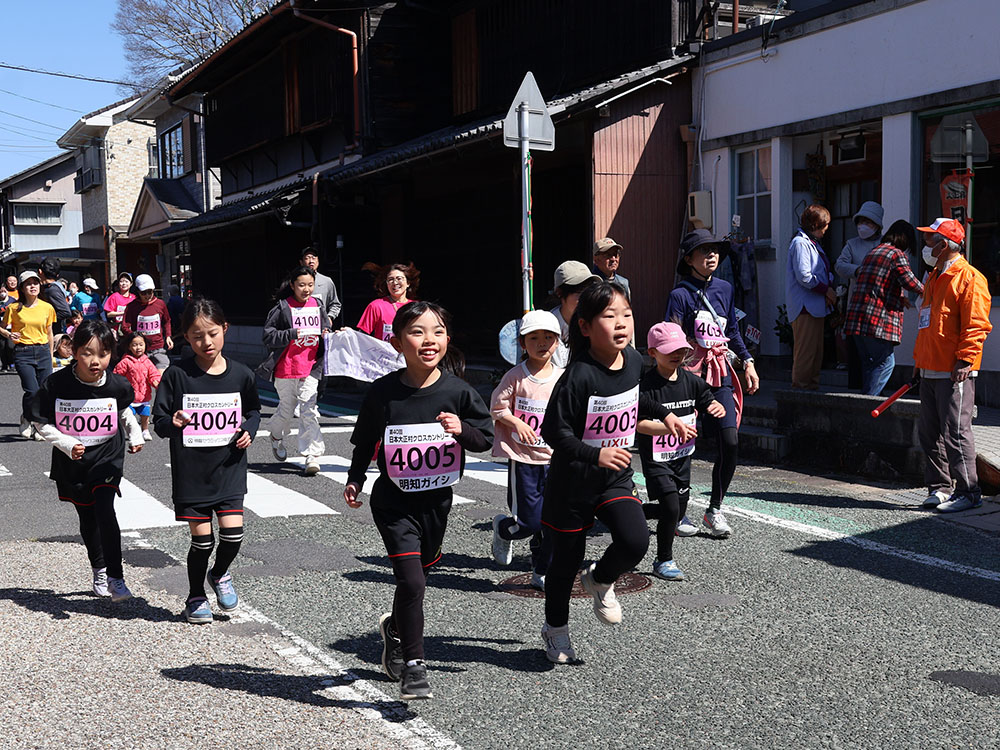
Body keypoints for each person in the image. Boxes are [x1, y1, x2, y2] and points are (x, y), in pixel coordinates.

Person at [343, 301, 493, 700]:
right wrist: (355, 480)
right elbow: (364, 443)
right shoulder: (384, 392)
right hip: (393, 505)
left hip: (436, 506)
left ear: (447, 339)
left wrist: (462, 430)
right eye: (417, 332)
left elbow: (484, 440)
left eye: (438, 331)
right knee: (411, 580)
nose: (429, 340)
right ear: (396, 341)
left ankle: (395, 629)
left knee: (416, 582)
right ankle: (414, 666)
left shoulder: (458, 391)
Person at [538, 281, 680, 664]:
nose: (621, 324)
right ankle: (556, 630)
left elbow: (636, 396)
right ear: (584, 327)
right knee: (565, 563)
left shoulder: (633, 361)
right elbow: (553, 431)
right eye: (609, 316)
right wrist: (593, 453)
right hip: (572, 483)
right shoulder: (578, 376)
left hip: (614, 478)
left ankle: (601, 579)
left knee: (635, 541)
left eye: (627, 315)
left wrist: (664, 413)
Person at [152, 298, 261, 623]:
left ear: (224, 329)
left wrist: (249, 430)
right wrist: (173, 421)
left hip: (229, 465)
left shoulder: (241, 375)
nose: (206, 342)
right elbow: (159, 421)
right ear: (185, 336)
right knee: (202, 541)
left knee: (233, 536)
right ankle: (195, 596)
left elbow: (253, 411)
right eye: (197, 336)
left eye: (212, 333)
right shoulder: (176, 375)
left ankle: (221, 573)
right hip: (192, 472)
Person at [28, 319, 143, 602]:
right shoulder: (56, 383)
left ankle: (116, 577)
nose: (95, 361)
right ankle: (99, 569)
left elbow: (123, 410)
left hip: (107, 455)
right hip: (73, 460)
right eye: (87, 353)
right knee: (88, 517)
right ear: (73, 351)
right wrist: (67, 444)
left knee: (105, 508)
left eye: (103, 354)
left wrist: (135, 433)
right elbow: (41, 423)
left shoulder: (116, 384)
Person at [665, 229, 760, 538]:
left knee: (730, 441)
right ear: (689, 259)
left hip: (720, 373)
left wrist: (748, 363)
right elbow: (672, 337)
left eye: (715, 250)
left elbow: (732, 329)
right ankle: (677, 512)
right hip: (690, 375)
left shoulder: (725, 288)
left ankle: (714, 509)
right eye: (703, 251)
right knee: (682, 445)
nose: (712, 255)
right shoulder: (679, 294)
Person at [912, 218, 992, 513]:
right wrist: (918, 362)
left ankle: (969, 491)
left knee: (956, 432)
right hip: (930, 368)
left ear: (944, 244)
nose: (926, 245)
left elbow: (976, 326)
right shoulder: (934, 277)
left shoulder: (971, 278)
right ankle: (940, 488)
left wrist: (964, 360)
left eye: (931, 240)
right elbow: (928, 325)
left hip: (953, 370)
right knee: (929, 433)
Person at [636, 322, 723, 580]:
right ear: (652, 353)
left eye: (681, 349)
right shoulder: (646, 387)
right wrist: (669, 428)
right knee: (671, 506)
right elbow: (639, 425)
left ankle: (635, 511)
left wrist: (715, 406)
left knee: (676, 511)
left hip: (682, 458)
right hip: (657, 459)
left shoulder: (692, 382)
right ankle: (664, 560)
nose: (676, 354)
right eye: (669, 350)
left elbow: (707, 399)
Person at [489, 309, 563, 589]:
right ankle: (504, 528)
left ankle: (541, 570)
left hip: (556, 460)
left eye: (548, 337)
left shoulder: (563, 377)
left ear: (557, 341)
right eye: (534, 338)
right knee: (530, 522)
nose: (542, 343)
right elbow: (497, 407)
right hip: (524, 459)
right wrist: (515, 423)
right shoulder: (515, 376)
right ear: (522, 344)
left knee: (553, 522)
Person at [261, 266, 330, 476]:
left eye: (310, 285)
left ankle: (312, 455)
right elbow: (268, 336)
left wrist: (327, 332)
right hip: (286, 367)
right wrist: (291, 333)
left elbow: (325, 329)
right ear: (292, 286)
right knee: (286, 411)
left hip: (310, 367)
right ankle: (275, 434)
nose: (306, 289)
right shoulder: (282, 308)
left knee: (309, 410)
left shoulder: (317, 305)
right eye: (301, 285)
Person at [842, 220, 923, 397]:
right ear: (905, 239)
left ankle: (864, 403)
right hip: (875, 321)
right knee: (886, 363)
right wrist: (931, 290)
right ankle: (868, 405)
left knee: (870, 366)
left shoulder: (873, 252)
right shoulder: (895, 254)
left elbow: (876, 283)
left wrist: (900, 297)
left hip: (857, 320)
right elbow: (909, 280)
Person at [1, 269, 56, 438]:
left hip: (43, 351)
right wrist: (9, 334)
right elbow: (1, 327)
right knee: (31, 390)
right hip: (23, 352)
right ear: (22, 288)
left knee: (44, 391)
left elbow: (49, 333)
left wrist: (52, 354)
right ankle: (26, 417)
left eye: (35, 283)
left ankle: (39, 425)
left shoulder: (47, 307)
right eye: (28, 284)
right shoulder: (14, 308)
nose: (33, 286)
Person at [786, 204, 835, 390]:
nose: (827, 228)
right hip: (805, 306)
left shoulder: (811, 243)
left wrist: (828, 287)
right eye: (825, 224)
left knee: (815, 352)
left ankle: (811, 388)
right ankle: (800, 390)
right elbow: (804, 276)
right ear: (815, 224)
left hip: (815, 305)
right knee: (806, 352)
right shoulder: (800, 243)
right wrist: (826, 290)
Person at [835, 201, 884, 387]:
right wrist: (859, 271)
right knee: (856, 352)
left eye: (868, 222)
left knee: (875, 354)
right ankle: (854, 390)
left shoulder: (884, 244)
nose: (863, 226)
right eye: (861, 222)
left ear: (877, 225)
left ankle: (872, 391)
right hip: (856, 305)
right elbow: (840, 265)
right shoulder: (851, 244)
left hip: (878, 305)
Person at [548, 260, 600, 368]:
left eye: (590, 290)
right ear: (559, 293)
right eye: (580, 292)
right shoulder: (547, 326)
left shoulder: (596, 323)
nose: (586, 298)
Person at [114, 332, 161, 441]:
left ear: (145, 345)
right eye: (134, 345)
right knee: (130, 418)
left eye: (141, 344)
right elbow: (117, 375)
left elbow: (153, 374)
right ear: (129, 347)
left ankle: (145, 430)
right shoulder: (125, 362)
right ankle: (133, 433)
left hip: (144, 396)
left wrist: (156, 382)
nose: (138, 347)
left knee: (145, 416)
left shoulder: (147, 361)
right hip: (130, 397)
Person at [357, 261, 420, 341]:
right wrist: (347, 333)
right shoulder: (376, 306)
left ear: (408, 283)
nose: (395, 283)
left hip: (409, 353)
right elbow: (361, 335)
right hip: (384, 353)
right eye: (390, 279)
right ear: (386, 284)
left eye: (399, 278)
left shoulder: (417, 307)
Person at [122, 274, 172, 371]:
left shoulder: (160, 304)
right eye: (143, 293)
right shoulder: (132, 307)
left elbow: (167, 321)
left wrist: (168, 336)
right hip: (140, 350)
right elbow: (125, 327)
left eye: (150, 292)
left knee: (163, 372)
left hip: (159, 348)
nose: (147, 296)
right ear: (138, 292)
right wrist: (136, 336)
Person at [301, 247, 342, 324]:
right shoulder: (294, 281)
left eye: (314, 258)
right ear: (301, 262)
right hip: (301, 327)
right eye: (307, 258)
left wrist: (330, 317)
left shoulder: (326, 281)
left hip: (321, 327)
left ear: (318, 261)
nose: (311, 261)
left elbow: (335, 304)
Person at [38, 258, 72, 332]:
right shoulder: (47, 288)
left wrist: (46, 319)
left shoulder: (52, 290)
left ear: (40, 272)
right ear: (57, 275)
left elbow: (65, 312)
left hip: (54, 333)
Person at [0, 285, 14, 371]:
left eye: (4, 291)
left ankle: (12, 363)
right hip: (1, 327)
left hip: (10, 326)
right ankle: (4, 365)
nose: (2, 293)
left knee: (10, 346)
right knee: (2, 346)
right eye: (1, 291)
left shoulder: (12, 300)